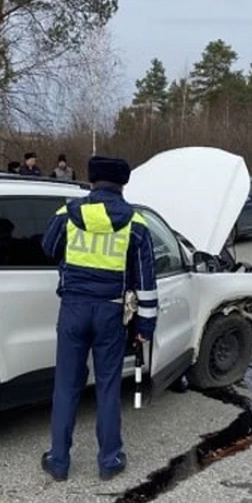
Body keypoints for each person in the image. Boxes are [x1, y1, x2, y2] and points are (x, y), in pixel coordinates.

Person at [39, 156, 157, 482]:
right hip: (111, 312)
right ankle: (110, 460)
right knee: (107, 387)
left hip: (73, 309)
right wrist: (145, 326)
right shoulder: (136, 223)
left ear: (92, 181)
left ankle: (58, 461)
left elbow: (47, 247)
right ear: (123, 184)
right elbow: (146, 282)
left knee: (66, 386)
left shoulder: (67, 213)